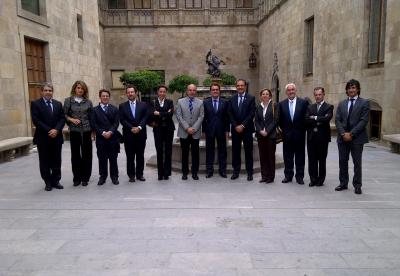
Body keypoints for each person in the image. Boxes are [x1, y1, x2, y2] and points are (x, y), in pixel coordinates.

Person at [335, 79, 370, 194]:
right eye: (349, 88)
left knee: (357, 163)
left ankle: (357, 185)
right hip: (342, 138)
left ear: (358, 89)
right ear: (347, 90)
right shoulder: (342, 104)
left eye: (353, 87)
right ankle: (343, 183)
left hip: (357, 138)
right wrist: (342, 133)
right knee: (342, 161)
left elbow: (364, 121)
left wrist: (351, 134)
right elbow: (337, 120)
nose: (351, 90)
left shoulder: (364, 103)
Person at [31, 83, 65, 191]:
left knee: (56, 160)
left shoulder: (58, 104)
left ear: (52, 92)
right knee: (44, 161)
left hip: (57, 137)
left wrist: (57, 130)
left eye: (50, 90)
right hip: (43, 138)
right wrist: (49, 130)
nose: (48, 92)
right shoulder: (36, 104)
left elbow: (62, 118)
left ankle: (56, 180)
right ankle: (48, 182)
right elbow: (36, 120)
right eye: (46, 90)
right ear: (42, 92)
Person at [278, 83, 309, 185]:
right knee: (287, 157)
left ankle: (299, 177)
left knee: (300, 157)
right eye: (289, 90)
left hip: (299, 135)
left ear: (295, 91)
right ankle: (288, 176)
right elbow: (280, 120)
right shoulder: (281, 104)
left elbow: (306, 118)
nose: (291, 91)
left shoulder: (303, 103)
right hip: (287, 136)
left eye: (292, 90)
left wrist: (302, 130)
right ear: (286, 92)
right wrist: (284, 131)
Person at [64, 80, 93, 187]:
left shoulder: (88, 102)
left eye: (82, 88)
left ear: (84, 90)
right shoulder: (68, 101)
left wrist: (93, 131)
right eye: (78, 88)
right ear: (74, 89)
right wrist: (71, 119)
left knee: (87, 155)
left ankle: (85, 177)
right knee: (75, 155)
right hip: (74, 131)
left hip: (86, 131)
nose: (80, 90)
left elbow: (91, 117)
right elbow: (64, 115)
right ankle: (77, 178)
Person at [119, 85, 148, 182]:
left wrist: (139, 127)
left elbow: (145, 118)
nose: (130, 94)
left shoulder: (143, 105)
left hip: (141, 135)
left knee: (140, 155)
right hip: (128, 135)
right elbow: (122, 120)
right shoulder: (122, 106)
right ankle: (131, 175)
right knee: (130, 156)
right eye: (128, 92)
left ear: (136, 93)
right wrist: (131, 128)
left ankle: (140, 174)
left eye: (132, 92)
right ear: (126, 94)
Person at [91, 89, 120, 185]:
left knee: (113, 159)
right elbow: (93, 124)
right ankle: (102, 177)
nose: (105, 97)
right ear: (100, 97)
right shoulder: (94, 110)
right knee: (102, 159)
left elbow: (116, 123)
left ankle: (114, 176)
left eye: (107, 96)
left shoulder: (114, 109)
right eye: (103, 96)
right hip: (101, 139)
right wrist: (102, 132)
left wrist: (111, 131)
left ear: (109, 97)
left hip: (113, 138)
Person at [228, 79, 256, 181]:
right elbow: (230, 113)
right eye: (238, 85)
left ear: (245, 86)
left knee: (248, 151)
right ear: (236, 87)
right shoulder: (232, 98)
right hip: (235, 130)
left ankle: (249, 172)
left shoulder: (251, 98)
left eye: (242, 85)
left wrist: (243, 125)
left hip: (247, 129)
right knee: (236, 151)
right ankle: (236, 171)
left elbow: (252, 113)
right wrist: (236, 126)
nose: (240, 87)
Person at [305, 87, 333, 187]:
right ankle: (313, 179)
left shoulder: (329, 107)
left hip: (323, 138)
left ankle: (321, 180)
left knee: (322, 159)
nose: (317, 96)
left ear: (323, 94)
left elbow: (327, 119)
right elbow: (306, 119)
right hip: (311, 138)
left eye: (319, 94)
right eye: (316, 95)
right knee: (311, 160)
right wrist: (320, 119)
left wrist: (315, 117)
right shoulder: (310, 107)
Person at [175, 84, 204, 180]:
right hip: (184, 132)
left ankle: (195, 172)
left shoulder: (200, 102)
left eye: (194, 90)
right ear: (187, 91)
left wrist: (194, 128)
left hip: (195, 132)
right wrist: (187, 128)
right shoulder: (180, 101)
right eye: (190, 90)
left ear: (196, 91)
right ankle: (185, 172)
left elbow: (201, 116)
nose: (192, 92)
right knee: (184, 153)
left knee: (195, 154)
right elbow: (179, 116)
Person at [202, 83, 229, 178]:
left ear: (219, 91)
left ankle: (223, 170)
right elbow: (203, 118)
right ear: (210, 91)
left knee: (223, 151)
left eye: (217, 89)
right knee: (209, 151)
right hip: (209, 131)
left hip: (221, 130)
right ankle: (209, 171)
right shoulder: (205, 102)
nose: (215, 91)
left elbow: (227, 118)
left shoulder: (225, 102)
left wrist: (227, 131)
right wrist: (203, 131)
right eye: (213, 90)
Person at [254, 88, 279, 183]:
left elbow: (276, 120)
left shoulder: (274, 105)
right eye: (263, 94)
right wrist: (260, 130)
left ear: (270, 96)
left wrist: (267, 131)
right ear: (261, 96)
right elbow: (256, 120)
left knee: (270, 156)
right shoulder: (258, 107)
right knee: (262, 156)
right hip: (260, 136)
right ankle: (264, 176)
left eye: (267, 94)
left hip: (271, 135)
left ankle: (270, 177)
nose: (265, 95)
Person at [150, 85, 175, 180]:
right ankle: (160, 173)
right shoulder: (153, 103)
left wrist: (159, 113)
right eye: (160, 91)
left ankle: (167, 173)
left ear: (166, 93)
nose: (162, 93)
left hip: (169, 129)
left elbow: (171, 114)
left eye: (164, 92)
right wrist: (165, 113)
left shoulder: (170, 102)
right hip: (158, 130)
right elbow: (152, 114)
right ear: (157, 92)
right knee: (159, 151)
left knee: (168, 151)